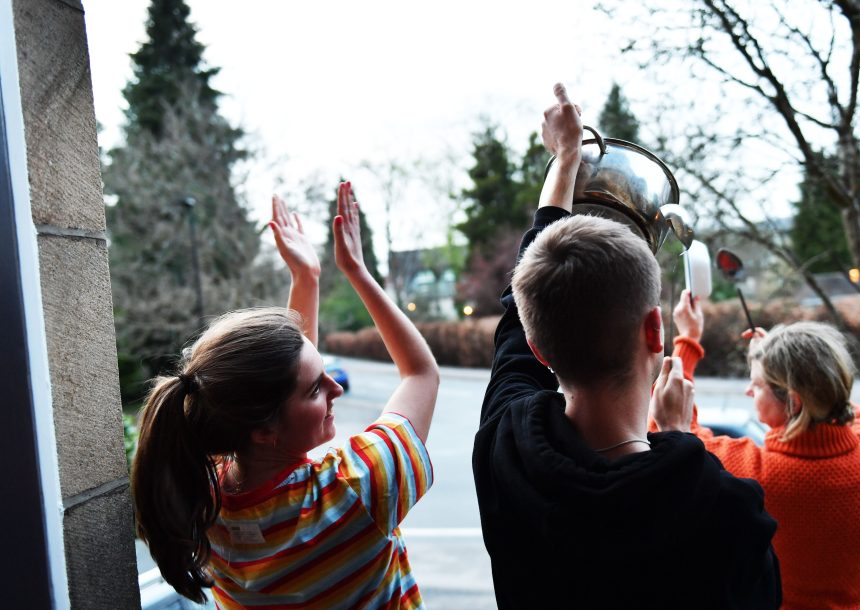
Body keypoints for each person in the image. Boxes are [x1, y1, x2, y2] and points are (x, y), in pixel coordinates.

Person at [471, 83, 782, 609]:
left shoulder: (505, 446)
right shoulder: (726, 510)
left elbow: (512, 324)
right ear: (656, 332)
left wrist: (564, 163)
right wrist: (681, 438)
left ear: (540, 349)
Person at [132, 182, 440, 609]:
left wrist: (306, 279)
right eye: (318, 388)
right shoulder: (355, 487)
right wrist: (357, 272)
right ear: (263, 430)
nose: (336, 388)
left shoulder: (207, 510)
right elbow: (421, 373)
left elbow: (280, 384)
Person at [668, 289, 860, 609]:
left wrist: (688, 339)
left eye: (758, 384)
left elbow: (669, 430)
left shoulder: (758, 478)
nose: (749, 391)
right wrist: (777, 357)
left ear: (793, 401)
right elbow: (836, 399)